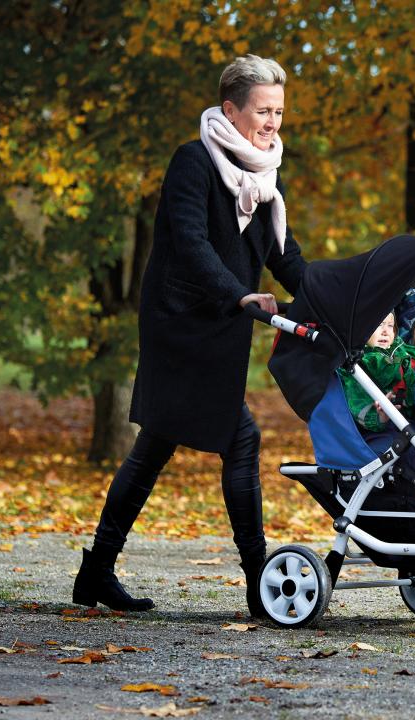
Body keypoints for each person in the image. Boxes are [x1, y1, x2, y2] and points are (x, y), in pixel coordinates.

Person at [72, 55, 307, 617]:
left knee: (155, 443)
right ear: (231, 109)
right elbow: (190, 242)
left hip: (223, 324)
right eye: (263, 110)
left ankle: (96, 571)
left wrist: (329, 300)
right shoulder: (193, 162)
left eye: (279, 111)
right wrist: (239, 294)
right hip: (181, 322)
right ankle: (260, 583)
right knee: (240, 437)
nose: (273, 123)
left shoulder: (265, 172)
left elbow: (284, 254)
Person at [338, 311, 415, 432]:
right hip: (393, 426)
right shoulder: (359, 364)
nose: (385, 331)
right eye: (379, 325)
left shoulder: (401, 349)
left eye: (390, 325)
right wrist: (380, 417)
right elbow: (358, 404)